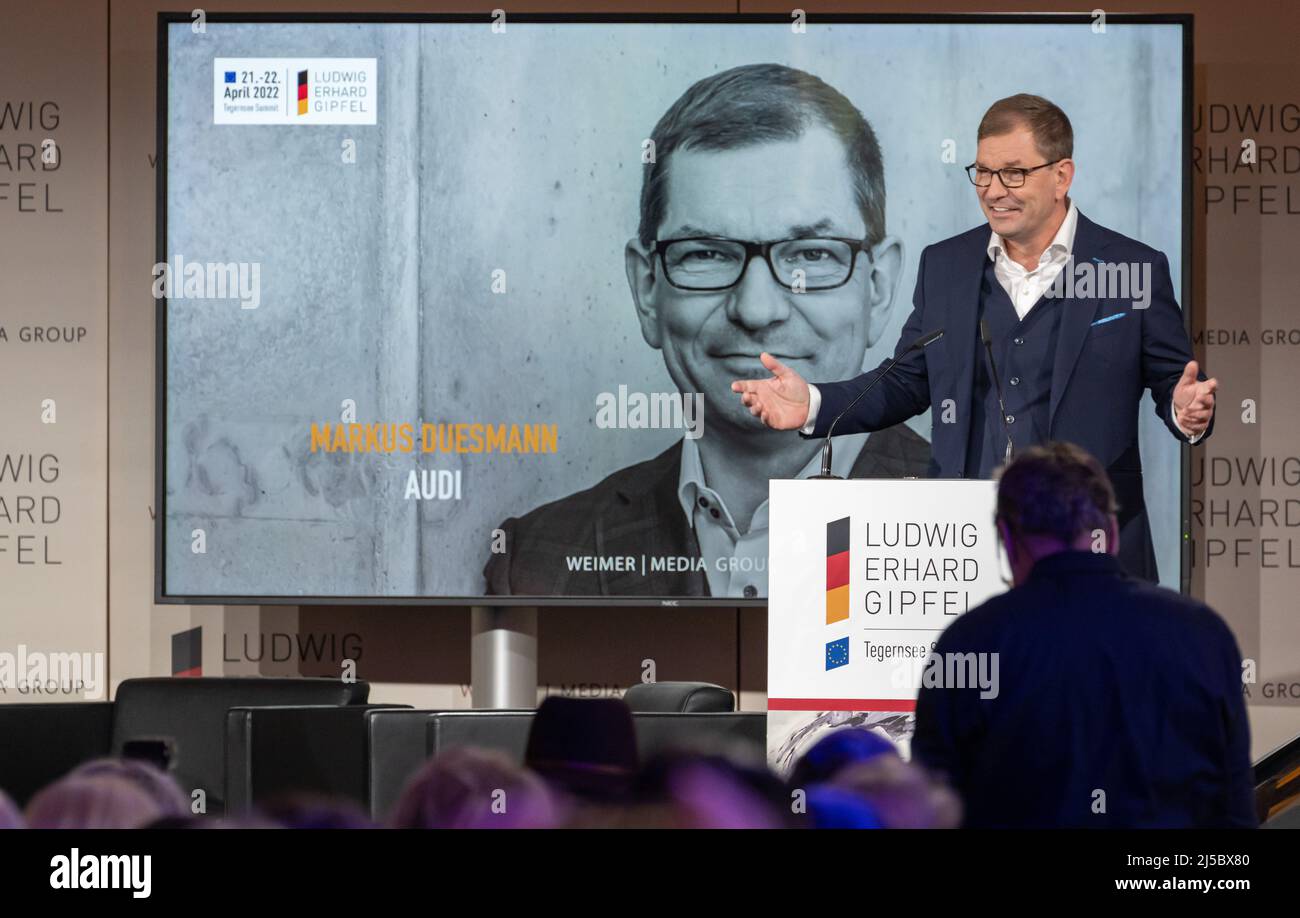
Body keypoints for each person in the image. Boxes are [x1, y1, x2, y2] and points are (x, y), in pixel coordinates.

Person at [485, 63, 929, 600]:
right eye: (708, 254)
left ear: (878, 287)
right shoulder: (537, 561)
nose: (757, 310)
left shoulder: (1002, 533)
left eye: (811, 253)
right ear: (647, 289)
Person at [733, 93, 1217, 582]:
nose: (993, 190)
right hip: (966, 547)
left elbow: (1172, 380)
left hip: (1093, 546)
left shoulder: (1131, 267)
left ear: (1062, 176)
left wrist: (1184, 409)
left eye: (1013, 173)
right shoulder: (947, 265)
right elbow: (906, 381)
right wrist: (814, 403)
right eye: (982, 172)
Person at [911, 442, 1255, 828]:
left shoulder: (970, 641)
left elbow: (931, 804)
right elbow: (1235, 805)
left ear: (1006, 538)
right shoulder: (1201, 631)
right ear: (1110, 532)